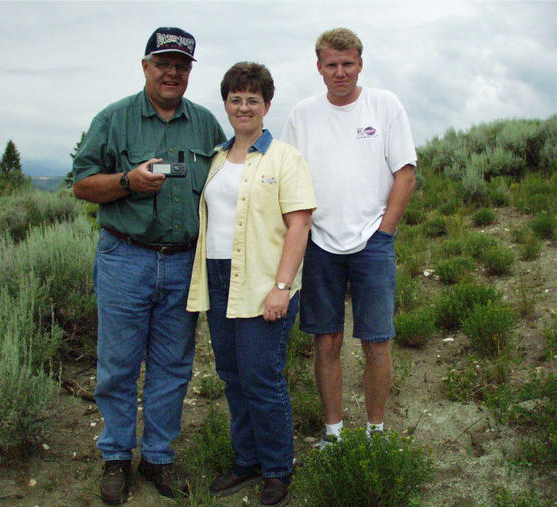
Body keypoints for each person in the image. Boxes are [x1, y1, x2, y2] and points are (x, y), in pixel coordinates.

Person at [72, 27, 226, 505]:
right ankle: (116, 454)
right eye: (163, 63)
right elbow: (82, 184)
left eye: (181, 65)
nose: (172, 72)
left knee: (173, 366)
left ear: (189, 72)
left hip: (183, 263)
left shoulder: (205, 126)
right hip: (125, 258)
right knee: (117, 365)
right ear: (145, 67)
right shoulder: (114, 120)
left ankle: (158, 456)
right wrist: (127, 181)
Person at [187, 62, 316, 506]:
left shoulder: (284, 158)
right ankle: (247, 460)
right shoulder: (218, 158)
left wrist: (282, 286)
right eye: (236, 99)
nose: (244, 107)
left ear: (266, 105)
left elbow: (299, 226)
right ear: (226, 104)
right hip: (219, 279)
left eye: (253, 99)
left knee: (262, 378)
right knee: (232, 376)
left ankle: (279, 468)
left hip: (264, 282)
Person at [282, 27, 417, 446]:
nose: (340, 72)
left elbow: (405, 173)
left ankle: (376, 433)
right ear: (319, 67)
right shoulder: (302, 114)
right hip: (320, 242)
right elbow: (288, 179)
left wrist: (384, 232)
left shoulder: (385, 105)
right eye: (331, 65)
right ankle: (334, 433)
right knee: (327, 341)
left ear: (361, 64)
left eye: (348, 64)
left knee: (377, 341)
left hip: (372, 243)